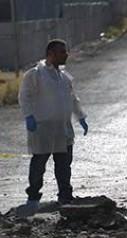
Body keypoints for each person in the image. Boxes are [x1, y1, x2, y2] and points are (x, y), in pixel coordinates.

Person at [16, 39, 89, 218]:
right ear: (51, 54)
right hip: (43, 128)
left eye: (65, 51)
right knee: (39, 164)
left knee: (64, 165)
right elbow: (24, 96)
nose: (66, 55)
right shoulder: (35, 74)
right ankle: (33, 197)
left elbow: (73, 99)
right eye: (62, 52)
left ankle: (65, 196)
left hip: (63, 128)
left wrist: (80, 117)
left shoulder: (64, 77)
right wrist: (29, 116)